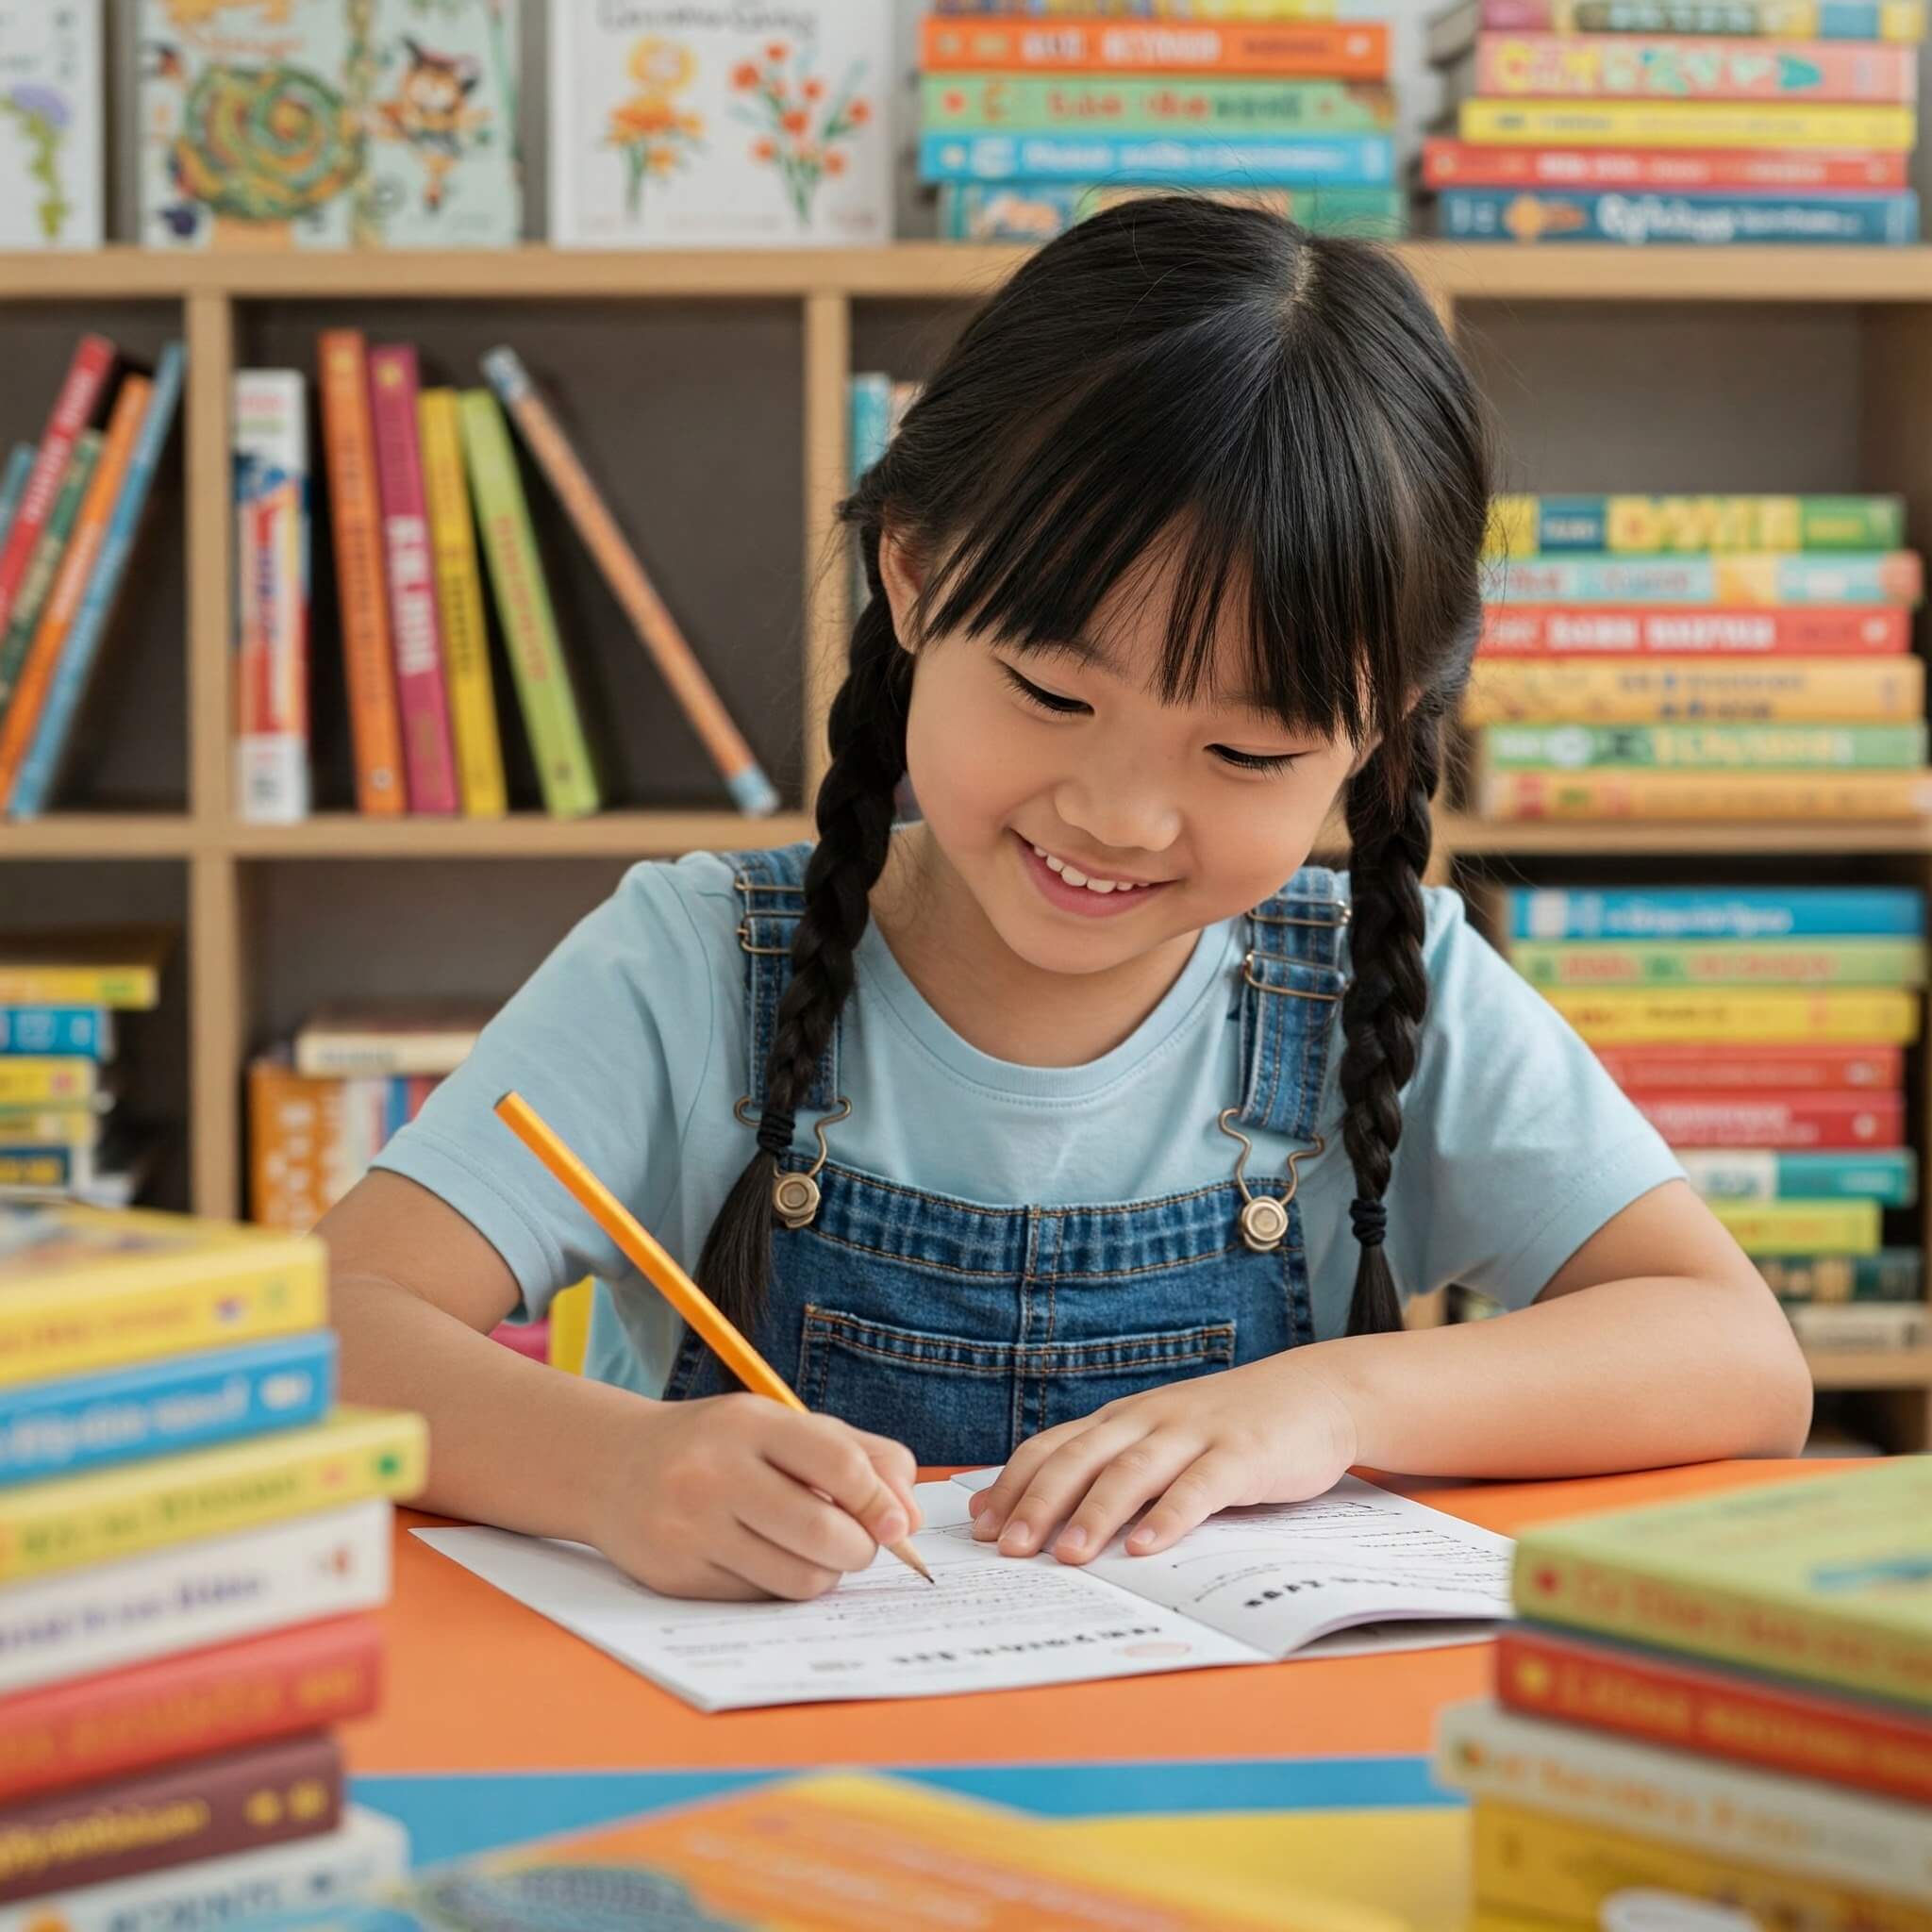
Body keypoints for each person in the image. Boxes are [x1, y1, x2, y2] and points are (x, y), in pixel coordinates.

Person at [320, 197, 1811, 1605]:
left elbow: (1738, 1358)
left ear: (1380, 735)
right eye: (1050, 693)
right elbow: (323, 1332)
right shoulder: (697, 964)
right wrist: (608, 1471)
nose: (1119, 816)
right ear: (913, 580)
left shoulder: (1385, 982)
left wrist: (1335, 1401)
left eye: (1245, 753)